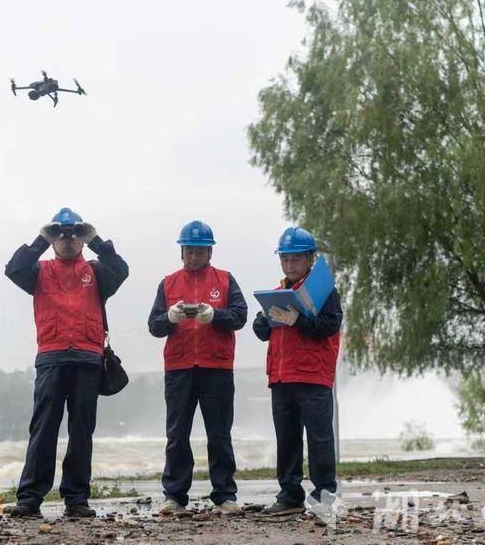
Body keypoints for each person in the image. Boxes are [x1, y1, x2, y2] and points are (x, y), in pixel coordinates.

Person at [3, 207, 129, 518]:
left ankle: (76, 499)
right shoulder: (39, 271)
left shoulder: (97, 271)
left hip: (87, 358)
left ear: (82, 240)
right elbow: (13, 269)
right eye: (61, 235)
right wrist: (41, 239)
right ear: (53, 241)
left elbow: (121, 270)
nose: (68, 240)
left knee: (81, 431)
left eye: (74, 235)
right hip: (52, 358)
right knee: (43, 428)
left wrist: (96, 240)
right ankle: (30, 498)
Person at [147, 220, 248, 516]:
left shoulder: (225, 280)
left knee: (219, 433)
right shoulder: (168, 283)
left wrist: (215, 316)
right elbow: (154, 326)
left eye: (200, 251)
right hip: (179, 368)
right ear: (181, 252)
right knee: (177, 434)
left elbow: (240, 316)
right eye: (189, 251)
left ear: (210, 252)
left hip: (217, 367)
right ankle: (174, 496)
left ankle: (225, 495)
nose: (194, 257)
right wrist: (169, 318)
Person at [252, 226, 343, 518]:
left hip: (313, 375)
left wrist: (299, 321)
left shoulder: (324, 291)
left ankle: (324, 497)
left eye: (296, 258)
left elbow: (331, 325)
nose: (289, 264)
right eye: (285, 258)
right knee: (287, 440)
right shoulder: (277, 294)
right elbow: (261, 333)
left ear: (310, 258)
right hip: (281, 377)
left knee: (319, 439)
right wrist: (263, 319)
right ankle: (290, 495)